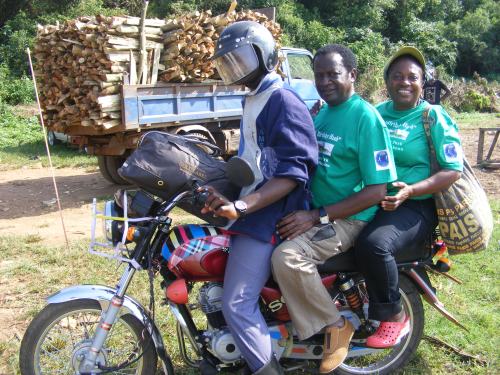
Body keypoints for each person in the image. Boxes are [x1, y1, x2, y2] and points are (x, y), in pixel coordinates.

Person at [271, 44, 397, 374]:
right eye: (318, 74)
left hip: (348, 219)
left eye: (333, 74)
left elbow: (376, 190)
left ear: (352, 75)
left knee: (287, 258)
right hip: (314, 209)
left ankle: (334, 324)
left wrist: (317, 216)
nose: (324, 81)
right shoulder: (323, 111)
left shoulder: (366, 119)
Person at [203, 21, 318, 375]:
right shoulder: (254, 97)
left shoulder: (282, 100)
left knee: (238, 302)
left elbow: (292, 172)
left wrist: (242, 206)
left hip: (273, 212)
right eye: (230, 64)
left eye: (241, 61)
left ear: (264, 55)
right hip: (256, 203)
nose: (237, 70)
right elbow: (252, 157)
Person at [354, 46, 463, 349]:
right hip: (373, 198)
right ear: (387, 81)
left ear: (422, 82)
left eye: (412, 77)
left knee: (374, 245)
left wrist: (410, 190)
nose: (405, 82)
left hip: (417, 204)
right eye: (397, 76)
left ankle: (393, 315)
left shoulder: (432, 116)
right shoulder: (376, 112)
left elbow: (453, 170)